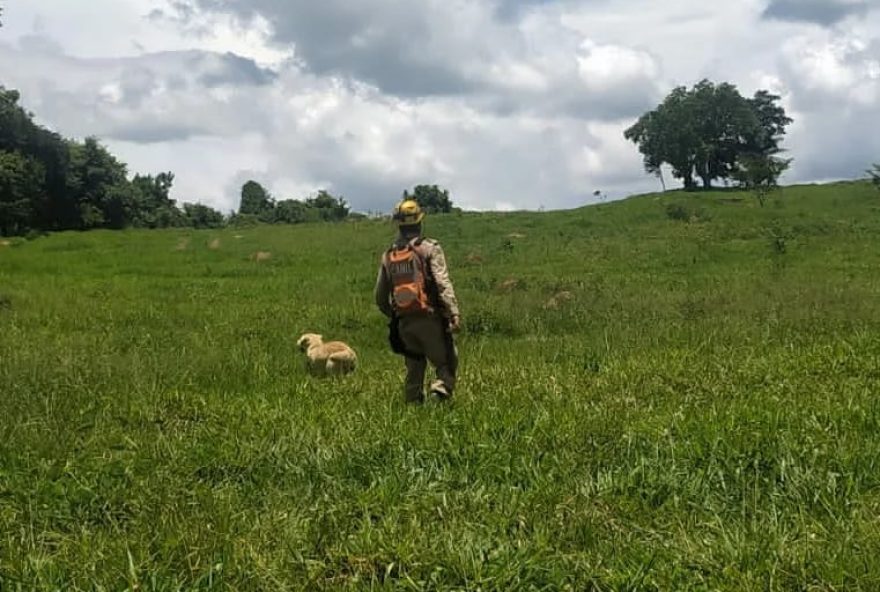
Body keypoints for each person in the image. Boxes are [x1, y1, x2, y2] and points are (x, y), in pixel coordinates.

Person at [374, 199, 461, 404]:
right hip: (429, 318)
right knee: (445, 363)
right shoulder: (429, 248)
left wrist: (395, 315)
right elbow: (442, 283)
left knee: (414, 369)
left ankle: (413, 410)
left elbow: (379, 297)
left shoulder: (389, 256)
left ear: (399, 225)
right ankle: (438, 395)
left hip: (404, 322)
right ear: (420, 222)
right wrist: (453, 312)